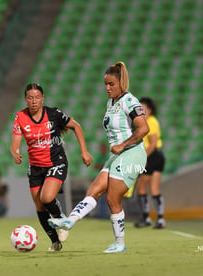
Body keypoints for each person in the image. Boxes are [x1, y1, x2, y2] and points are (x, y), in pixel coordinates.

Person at [48, 61, 149, 253]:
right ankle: (70, 220)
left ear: (121, 82)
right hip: (118, 155)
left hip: (133, 153)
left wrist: (123, 144)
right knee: (94, 190)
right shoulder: (110, 103)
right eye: (105, 84)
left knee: (112, 198)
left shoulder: (130, 100)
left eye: (111, 84)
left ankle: (120, 243)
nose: (107, 88)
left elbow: (144, 128)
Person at [10, 83, 93, 252]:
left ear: (42, 98)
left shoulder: (53, 114)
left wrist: (84, 152)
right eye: (30, 98)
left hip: (56, 162)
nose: (33, 101)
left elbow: (76, 126)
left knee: (46, 198)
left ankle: (60, 218)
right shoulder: (20, 117)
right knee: (39, 206)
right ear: (26, 99)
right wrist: (16, 153)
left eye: (37, 97)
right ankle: (55, 242)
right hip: (35, 167)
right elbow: (15, 143)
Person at [134, 97, 166, 229]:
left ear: (150, 110)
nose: (141, 111)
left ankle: (146, 217)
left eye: (143, 109)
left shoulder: (150, 121)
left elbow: (152, 143)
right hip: (158, 155)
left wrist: (143, 158)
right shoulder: (152, 121)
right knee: (154, 189)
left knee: (141, 188)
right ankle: (160, 219)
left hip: (152, 156)